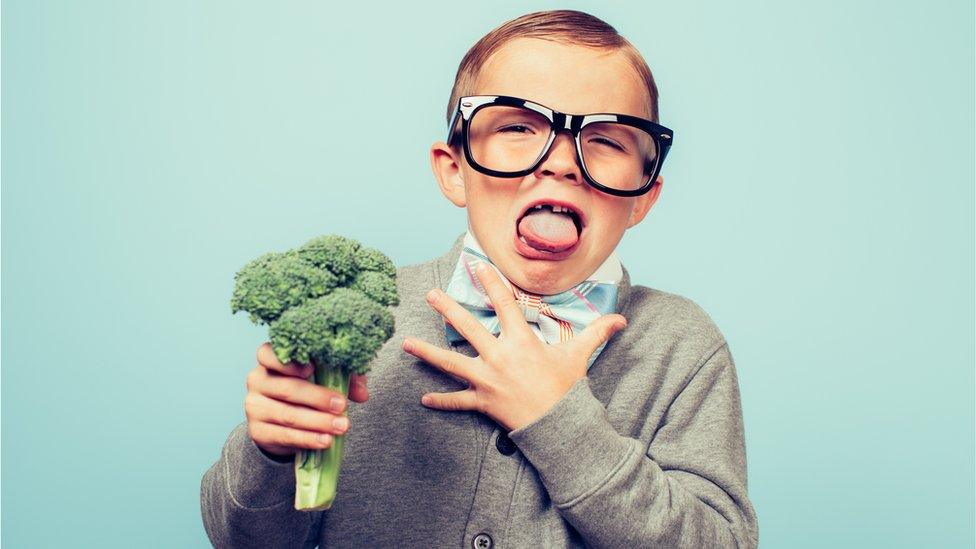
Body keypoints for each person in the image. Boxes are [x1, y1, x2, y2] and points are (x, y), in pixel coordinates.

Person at [201, 9, 759, 548]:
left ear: (643, 196)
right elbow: (243, 539)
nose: (562, 162)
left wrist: (558, 418)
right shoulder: (364, 320)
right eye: (518, 126)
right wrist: (271, 453)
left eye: (608, 140)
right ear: (454, 170)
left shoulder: (682, 346)